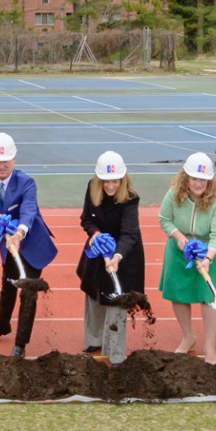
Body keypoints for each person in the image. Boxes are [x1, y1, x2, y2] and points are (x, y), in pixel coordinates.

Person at [0, 132, 57, 355]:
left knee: (28, 293)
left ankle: (20, 344)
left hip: (31, 243)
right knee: (7, 287)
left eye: (6, 160)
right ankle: (2, 326)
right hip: (7, 246)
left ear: (14, 159)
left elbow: (28, 212)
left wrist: (19, 234)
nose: (1, 165)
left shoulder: (26, 182)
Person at [156, 151, 216, 362]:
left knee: (209, 295)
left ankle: (209, 346)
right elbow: (164, 219)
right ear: (185, 178)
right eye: (194, 178)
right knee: (178, 292)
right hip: (180, 247)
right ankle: (188, 336)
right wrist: (178, 236)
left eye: (203, 179)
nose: (198, 183)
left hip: (212, 249)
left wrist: (208, 258)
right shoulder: (173, 194)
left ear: (210, 180)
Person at [78, 151, 145, 362]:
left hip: (123, 254)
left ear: (122, 179)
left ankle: (115, 352)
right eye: (106, 181)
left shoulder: (131, 198)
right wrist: (96, 234)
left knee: (117, 299)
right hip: (98, 249)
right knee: (94, 293)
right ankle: (95, 338)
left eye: (115, 181)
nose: (110, 186)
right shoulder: (92, 187)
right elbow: (86, 219)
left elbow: (129, 233)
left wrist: (116, 256)